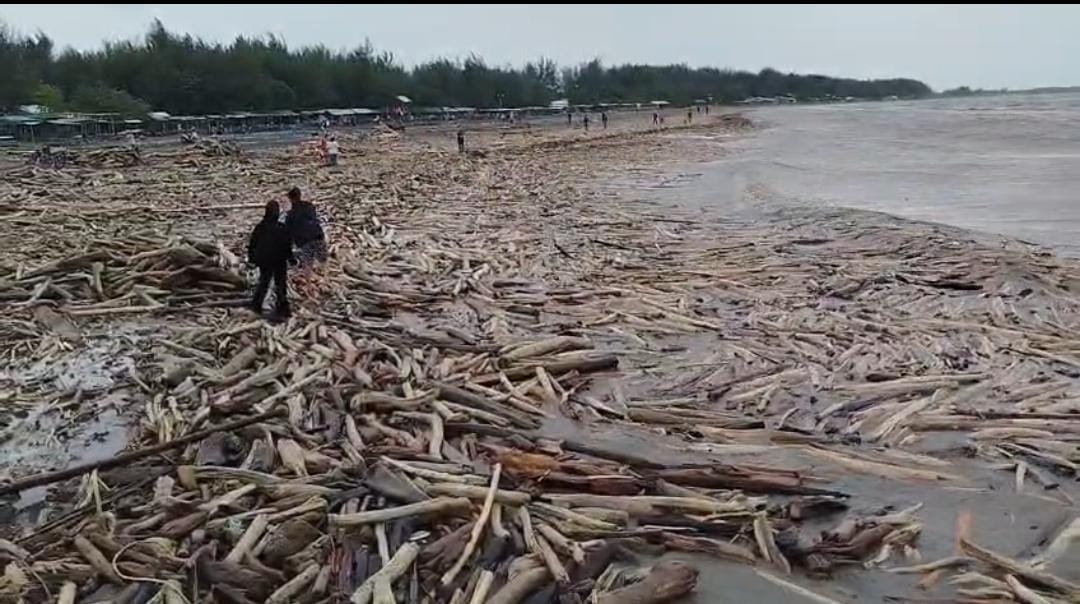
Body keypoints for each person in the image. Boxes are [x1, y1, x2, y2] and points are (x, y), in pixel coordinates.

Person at [247, 200, 292, 318]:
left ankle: (256, 305)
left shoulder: (260, 227)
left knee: (264, 282)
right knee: (280, 284)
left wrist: (252, 258)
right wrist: (291, 258)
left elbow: (252, 244)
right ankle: (282, 308)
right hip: (279, 259)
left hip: (265, 259)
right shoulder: (281, 228)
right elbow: (287, 245)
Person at [284, 187, 327, 280]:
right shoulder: (309, 206)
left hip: (304, 242)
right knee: (323, 260)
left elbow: (288, 232)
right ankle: (327, 280)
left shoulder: (290, 215)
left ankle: (309, 286)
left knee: (308, 264)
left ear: (290, 199)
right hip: (318, 236)